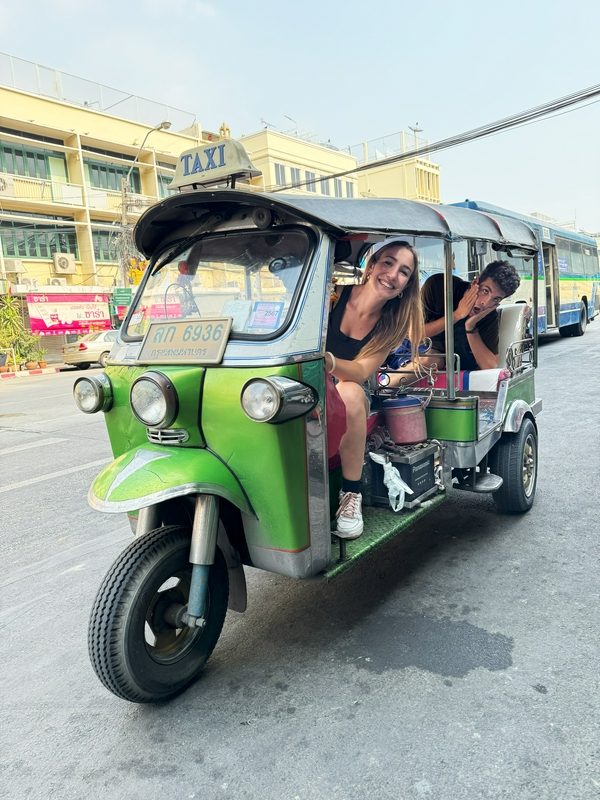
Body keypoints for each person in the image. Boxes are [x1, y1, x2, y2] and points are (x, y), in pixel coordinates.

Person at [325, 241, 423, 539]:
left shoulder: (390, 323)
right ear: (371, 265)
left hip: (349, 386)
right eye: (388, 263)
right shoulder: (334, 294)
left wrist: (326, 360)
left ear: (406, 285)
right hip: (307, 378)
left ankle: (351, 494)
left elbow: (361, 371)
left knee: (350, 390)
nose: (392, 274)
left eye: (403, 271)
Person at [420, 260, 521, 372]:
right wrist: (456, 315)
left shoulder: (489, 315)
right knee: (429, 359)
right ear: (475, 283)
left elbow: (489, 365)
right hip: (426, 355)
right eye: (485, 291)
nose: (486, 303)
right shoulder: (439, 287)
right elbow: (415, 335)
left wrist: (470, 327)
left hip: (462, 373)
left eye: (496, 299)